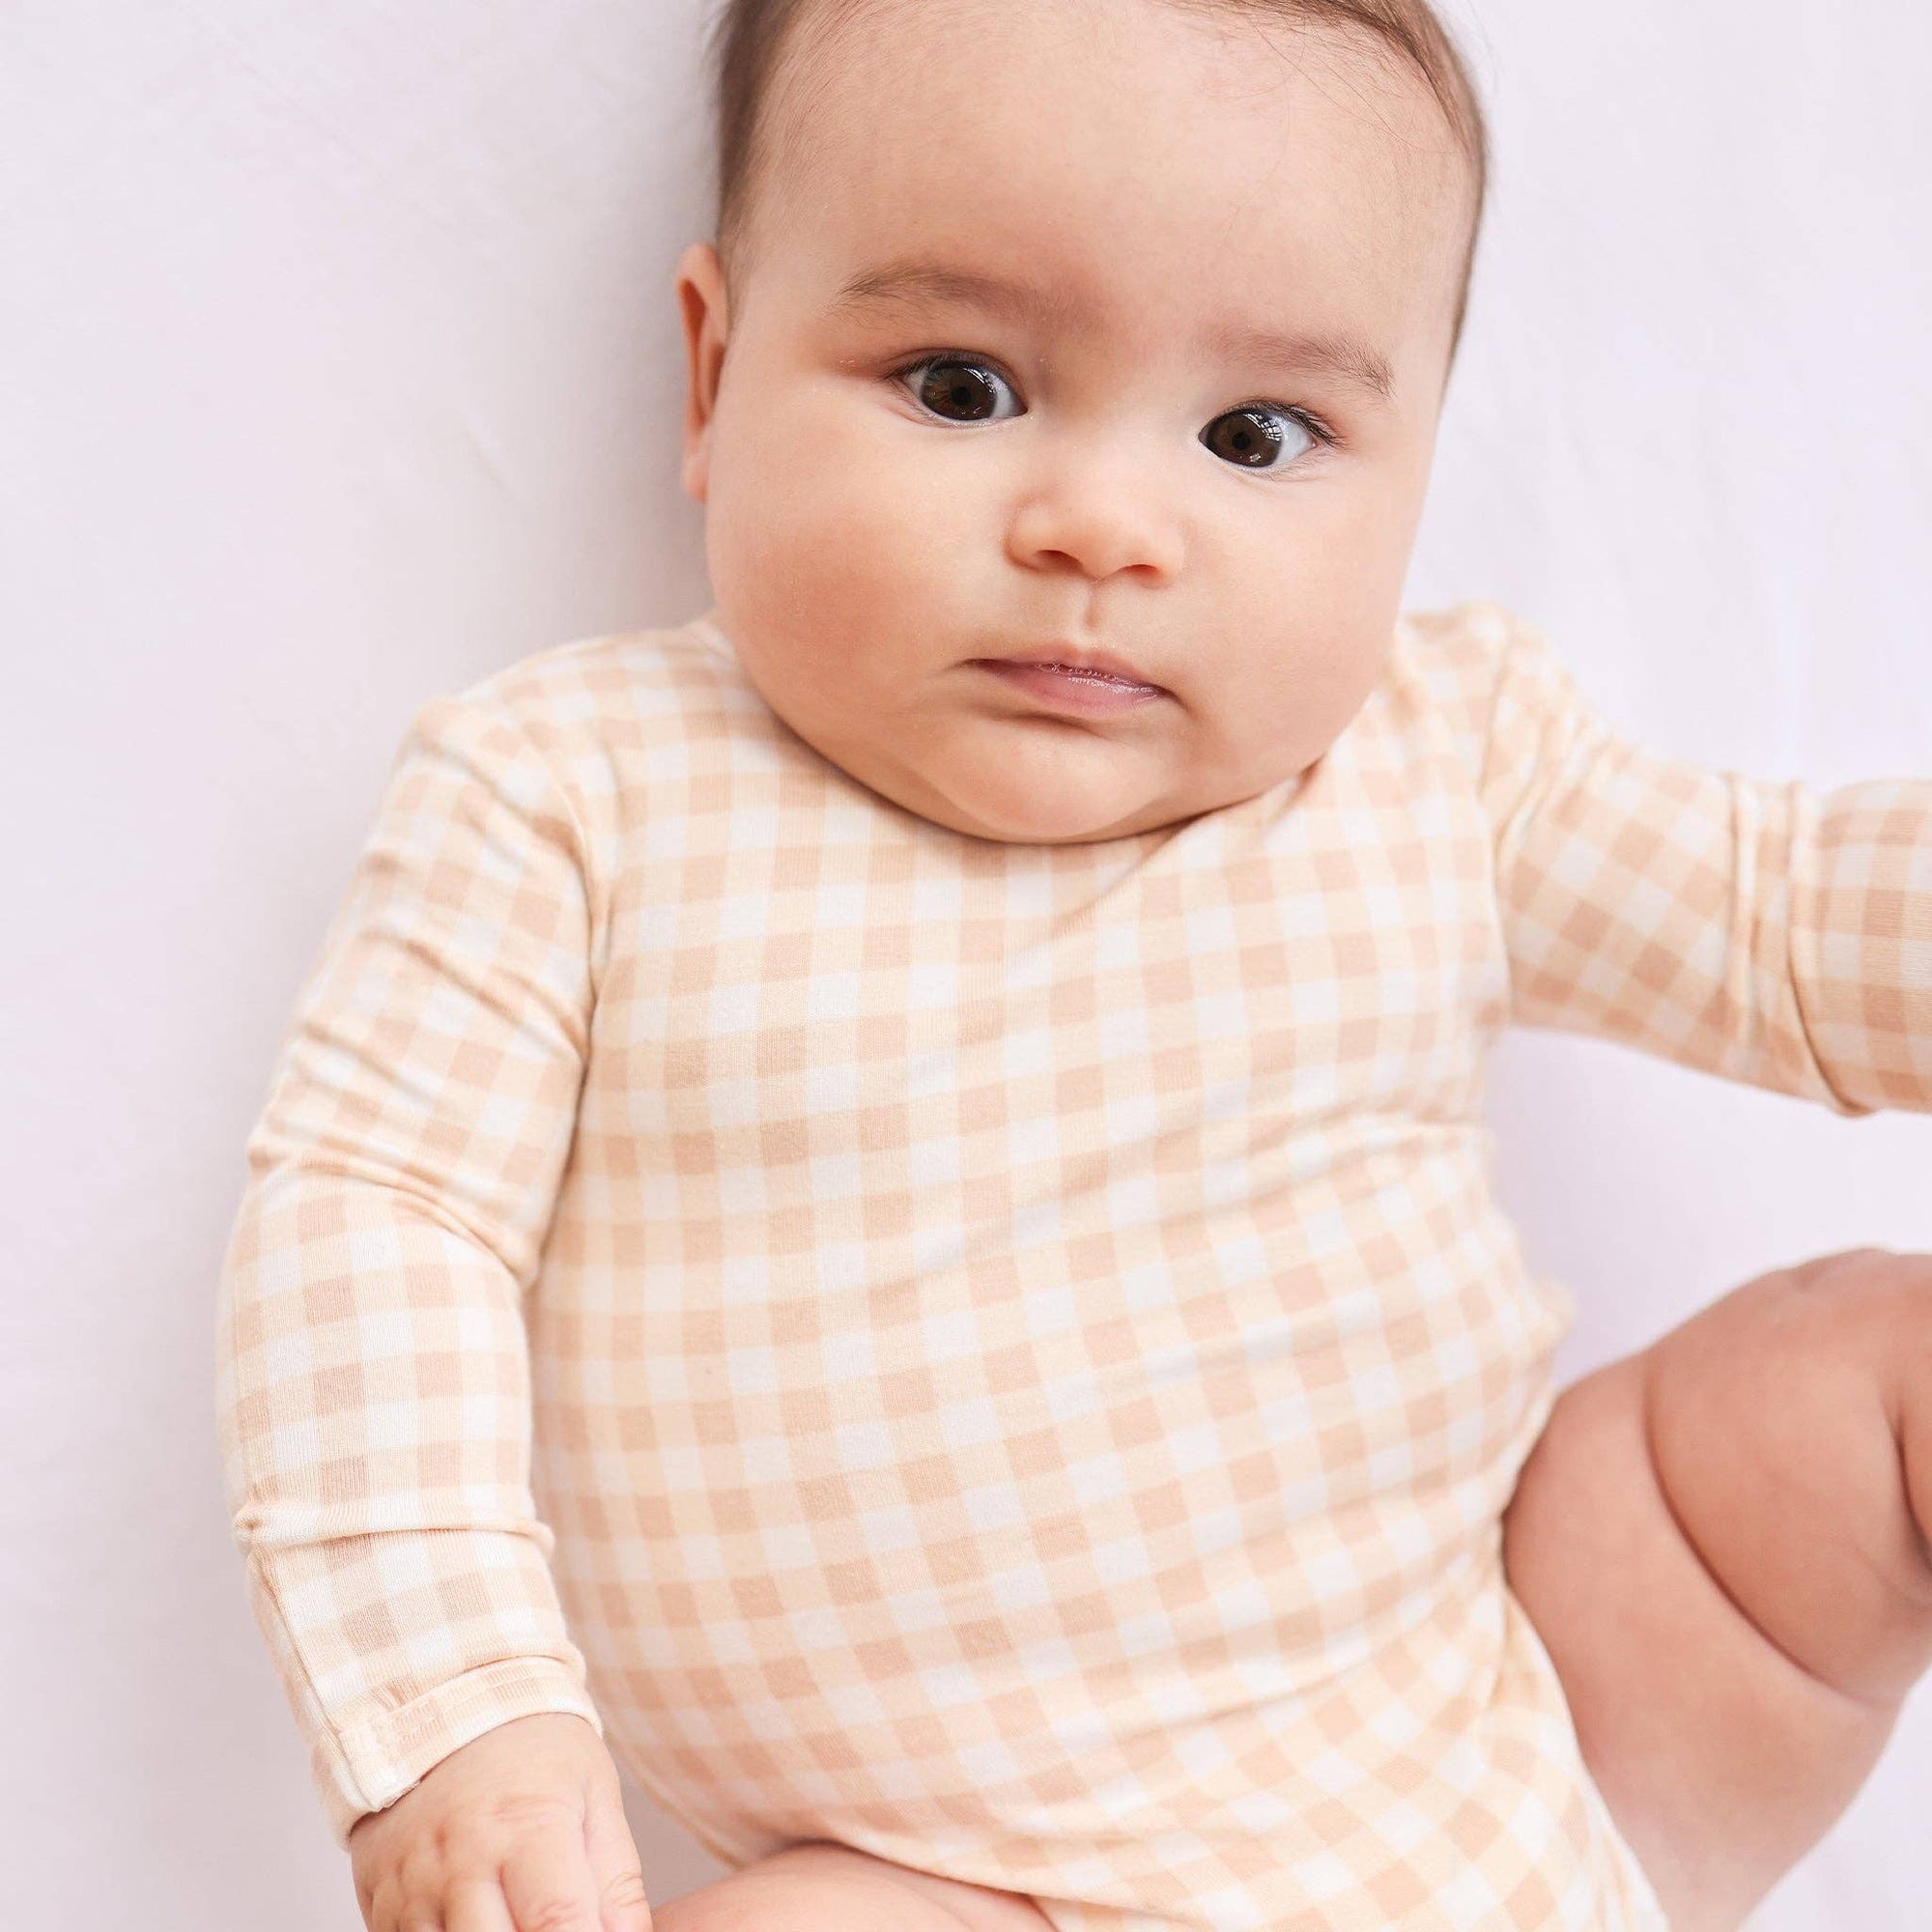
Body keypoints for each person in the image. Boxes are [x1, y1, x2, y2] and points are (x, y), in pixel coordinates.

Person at [213, 1, 1932, 1927]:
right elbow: (378, 1218)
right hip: (950, 1882)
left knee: (1869, 1370)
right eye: (960, 385)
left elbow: (1781, 920)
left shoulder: (1437, 759)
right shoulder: (569, 798)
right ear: (712, 375)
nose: (1103, 527)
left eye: (1256, 435)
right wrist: (458, 1710)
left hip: (1545, 1716)